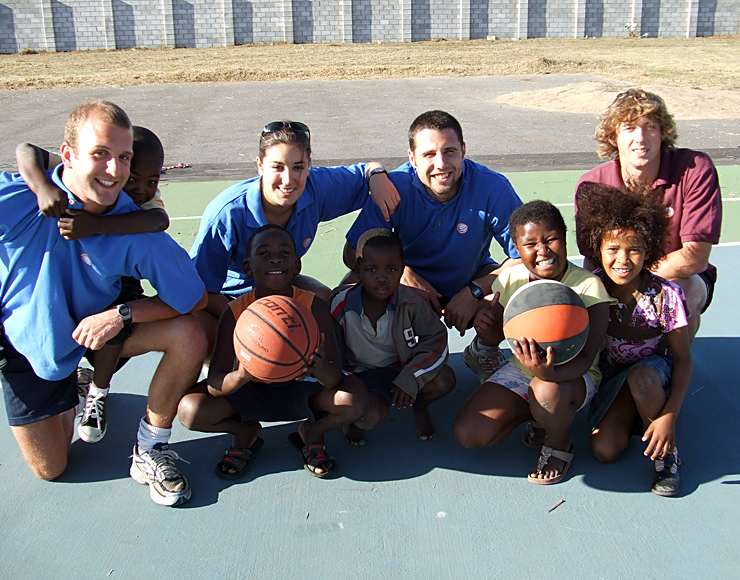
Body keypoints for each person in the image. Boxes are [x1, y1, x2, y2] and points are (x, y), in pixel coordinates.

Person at [0, 101, 207, 508]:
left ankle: (150, 448)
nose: (115, 171)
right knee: (51, 468)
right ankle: (73, 390)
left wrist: (121, 314)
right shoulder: (20, 197)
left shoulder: (136, 228)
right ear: (67, 154)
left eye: (123, 158)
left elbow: (192, 297)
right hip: (25, 346)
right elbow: (27, 154)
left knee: (189, 332)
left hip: (86, 337)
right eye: (100, 154)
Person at [342, 110, 523, 382]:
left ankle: (484, 348)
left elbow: (524, 258)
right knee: (349, 289)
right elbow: (352, 253)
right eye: (429, 154)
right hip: (406, 283)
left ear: (463, 150)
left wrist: (473, 291)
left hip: (468, 277)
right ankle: (363, 362)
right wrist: (404, 274)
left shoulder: (491, 186)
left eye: (449, 151)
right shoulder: (396, 186)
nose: (441, 163)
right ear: (412, 158)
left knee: (519, 291)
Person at [15, 126, 169, 444]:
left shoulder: (144, 199)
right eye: (132, 179)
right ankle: (82, 374)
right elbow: (26, 150)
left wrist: (96, 225)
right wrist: (42, 185)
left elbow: (158, 221)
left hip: (117, 274)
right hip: (76, 272)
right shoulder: (93, 168)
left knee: (115, 324)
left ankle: (98, 391)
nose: (141, 189)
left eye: (151, 181)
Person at [189, 120, 399, 352]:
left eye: (298, 167)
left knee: (323, 301)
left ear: (309, 165)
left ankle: (314, 366)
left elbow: (367, 171)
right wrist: (255, 317)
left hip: (281, 283)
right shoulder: (226, 214)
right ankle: (221, 365)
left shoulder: (315, 188)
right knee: (195, 332)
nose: (288, 179)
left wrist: (378, 175)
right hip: (229, 296)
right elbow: (199, 292)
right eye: (277, 167)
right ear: (260, 166)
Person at [178, 224, 367, 479]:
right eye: (264, 253)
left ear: (297, 265)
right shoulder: (235, 312)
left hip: (302, 389)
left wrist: (320, 368)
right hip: (251, 391)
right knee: (190, 411)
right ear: (247, 267)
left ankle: (312, 432)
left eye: (284, 253)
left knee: (354, 400)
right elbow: (214, 384)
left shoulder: (313, 307)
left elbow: (334, 376)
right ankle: (244, 432)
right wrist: (242, 375)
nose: (275, 258)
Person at [453, 201, 611, 485]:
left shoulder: (588, 287)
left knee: (547, 393)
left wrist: (549, 374)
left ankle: (559, 442)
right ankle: (542, 416)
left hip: (572, 377)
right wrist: (486, 325)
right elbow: (497, 336)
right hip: (522, 369)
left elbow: (587, 358)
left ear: (564, 238)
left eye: (551, 239)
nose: (542, 250)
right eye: (530, 244)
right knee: (469, 433)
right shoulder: (511, 278)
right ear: (516, 246)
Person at [577, 88, 722, 341]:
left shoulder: (695, 169)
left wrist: (637, 282)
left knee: (682, 292)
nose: (641, 138)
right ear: (613, 138)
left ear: (662, 132)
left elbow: (695, 258)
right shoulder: (592, 185)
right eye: (629, 128)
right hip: (614, 276)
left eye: (650, 126)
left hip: (677, 276)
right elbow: (592, 261)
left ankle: (672, 365)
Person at [576, 182, 692, 496]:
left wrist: (670, 415)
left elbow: (682, 359)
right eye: (613, 248)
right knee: (605, 450)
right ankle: (642, 417)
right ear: (597, 249)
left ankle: (667, 456)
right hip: (615, 376)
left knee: (642, 378)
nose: (623, 259)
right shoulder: (591, 288)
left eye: (634, 249)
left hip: (652, 373)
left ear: (649, 251)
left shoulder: (666, 296)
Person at [330, 228, 455, 445]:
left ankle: (420, 407)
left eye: (391, 269)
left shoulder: (411, 302)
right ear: (358, 270)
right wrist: (345, 383)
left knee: (445, 379)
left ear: (402, 271)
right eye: (371, 269)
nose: (381, 278)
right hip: (360, 374)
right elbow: (332, 352)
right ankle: (351, 420)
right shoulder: (339, 305)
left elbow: (436, 340)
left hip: (400, 367)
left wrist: (412, 377)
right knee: (369, 417)